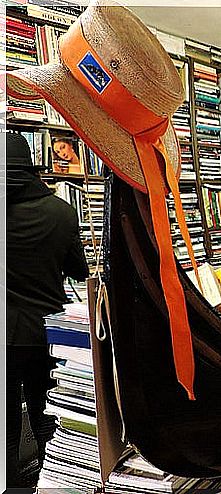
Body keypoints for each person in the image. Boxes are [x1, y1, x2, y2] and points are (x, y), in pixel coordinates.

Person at [7, 132, 90, 487]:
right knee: (48, 414)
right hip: (49, 333)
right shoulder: (62, 212)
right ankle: (52, 480)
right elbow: (80, 270)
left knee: (5, 423)